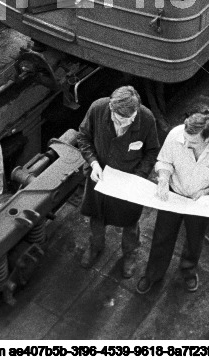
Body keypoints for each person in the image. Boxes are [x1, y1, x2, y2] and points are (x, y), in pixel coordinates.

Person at [136, 112, 209, 295]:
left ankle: (188, 270)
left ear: (207, 139)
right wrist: (163, 178)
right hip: (174, 194)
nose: (186, 143)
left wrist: (207, 191)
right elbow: (163, 161)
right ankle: (153, 274)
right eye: (185, 139)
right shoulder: (176, 135)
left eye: (192, 143)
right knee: (162, 236)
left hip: (202, 201)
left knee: (195, 239)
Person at [76, 86, 160, 277]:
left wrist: (137, 178)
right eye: (118, 120)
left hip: (129, 182)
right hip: (100, 177)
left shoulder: (146, 119)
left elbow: (152, 151)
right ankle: (95, 246)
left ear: (136, 112)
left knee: (130, 221)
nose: (123, 125)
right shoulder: (98, 109)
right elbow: (83, 137)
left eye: (128, 121)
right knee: (96, 215)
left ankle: (130, 254)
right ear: (111, 109)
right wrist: (93, 163)